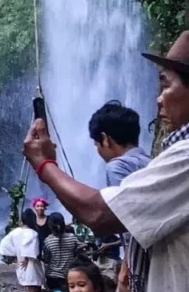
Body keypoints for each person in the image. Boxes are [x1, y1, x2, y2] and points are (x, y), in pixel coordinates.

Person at [23, 31, 189, 292]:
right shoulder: (156, 157)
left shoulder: (183, 157)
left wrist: (44, 165)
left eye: (165, 85)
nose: (158, 100)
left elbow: (103, 214)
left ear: (105, 140)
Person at [89, 101, 151, 289]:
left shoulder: (117, 166)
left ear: (105, 139)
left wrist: (125, 272)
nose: (97, 149)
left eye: (96, 143)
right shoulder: (150, 161)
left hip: (141, 263)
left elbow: (127, 219)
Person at [0, 208, 45, 291]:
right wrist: (26, 257)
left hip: (20, 265)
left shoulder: (15, 232)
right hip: (31, 266)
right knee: (34, 287)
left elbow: (4, 245)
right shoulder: (33, 233)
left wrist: (14, 258)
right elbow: (31, 249)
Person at [42, 212, 81, 291]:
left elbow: (46, 259)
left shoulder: (48, 240)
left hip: (52, 277)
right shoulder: (72, 237)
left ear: (50, 225)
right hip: (68, 274)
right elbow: (78, 251)